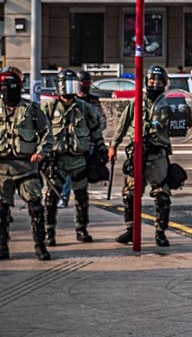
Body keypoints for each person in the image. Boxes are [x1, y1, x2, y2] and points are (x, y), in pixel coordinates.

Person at [108, 65, 175, 247]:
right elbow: (122, 125)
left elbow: (180, 126)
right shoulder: (136, 101)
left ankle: (160, 232)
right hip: (137, 153)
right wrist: (113, 146)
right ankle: (131, 230)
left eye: (159, 81)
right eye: (152, 80)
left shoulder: (168, 103)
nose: (155, 84)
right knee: (129, 194)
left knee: (162, 195)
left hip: (157, 155)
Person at [41, 70, 106, 246]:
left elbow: (95, 129)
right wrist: (41, 154)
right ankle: (49, 231)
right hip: (57, 160)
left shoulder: (84, 107)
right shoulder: (49, 108)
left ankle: (81, 228)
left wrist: (102, 149)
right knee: (51, 197)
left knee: (81, 196)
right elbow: (40, 132)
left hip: (79, 159)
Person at [0, 67, 54, 260]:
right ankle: (2, 245)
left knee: (36, 206)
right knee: (1, 209)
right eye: (4, 86)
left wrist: (41, 153)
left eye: (11, 86)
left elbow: (47, 134)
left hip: (26, 167)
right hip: (2, 168)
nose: (7, 90)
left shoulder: (31, 109)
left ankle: (40, 245)